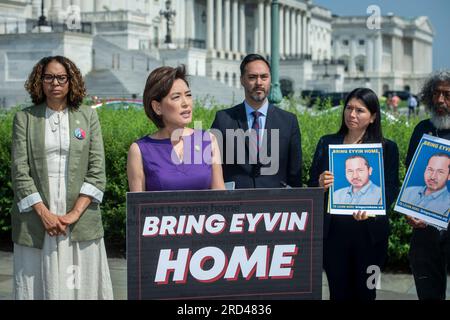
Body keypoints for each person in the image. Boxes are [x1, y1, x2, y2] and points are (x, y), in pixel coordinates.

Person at [11, 56, 113, 299]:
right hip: (37, 218)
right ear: (39, 81)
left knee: (80, 283)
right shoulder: (24, 118)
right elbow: (19, 170)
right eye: (48, 77)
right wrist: (45, 214)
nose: (54, 83)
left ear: (71, 81)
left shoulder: (88, 116)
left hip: (78, 215)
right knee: (36, 283)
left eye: (61, 77)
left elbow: (97, 169)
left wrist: (72, 215)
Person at [308, 87, 399, 300]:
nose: (352, 115)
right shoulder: (327, 142)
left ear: (373, 116)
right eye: (349, 108)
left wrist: (372, 210)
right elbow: (312, 184)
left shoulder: (387, 149)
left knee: (367, 292)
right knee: (338, 293)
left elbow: (391, 188)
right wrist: (320, 183)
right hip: (334, 236)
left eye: (360, 110)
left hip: (372, 237)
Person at [127, 65, 225, 192]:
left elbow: (221, 199)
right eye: (176, 97)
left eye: (188, 95)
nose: (186, 103)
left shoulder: (209, 140)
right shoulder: (139, 150)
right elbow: (138, 208)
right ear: (157, 107)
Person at [210, 54, 302, 188]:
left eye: (264, 77)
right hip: (235, 204)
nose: (259, 82)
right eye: (252, 77)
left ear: (270, 79)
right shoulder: (223, 119)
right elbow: (212, 169)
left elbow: (295, 176)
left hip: (276, 204)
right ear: (242, 80)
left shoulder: (289, 121)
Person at [404, 71, 450, 300]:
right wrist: (408, 211)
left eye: (447, 94)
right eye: (436, 93)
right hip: (425, 231)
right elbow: (412, 178)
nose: (440, 100)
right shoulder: (421, 129)